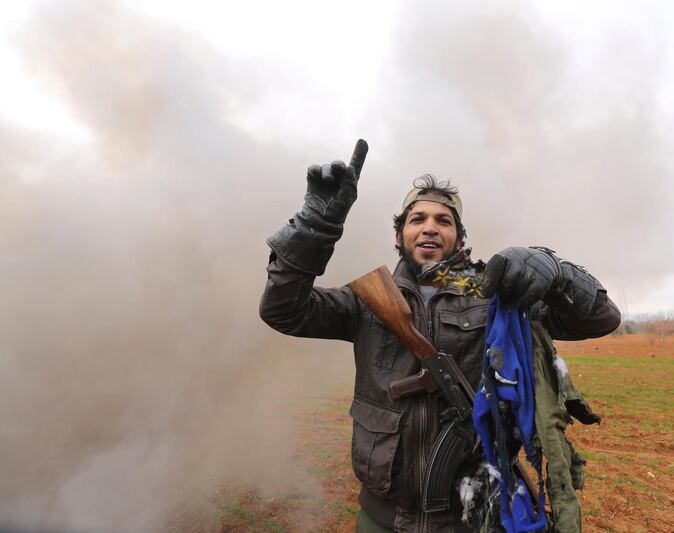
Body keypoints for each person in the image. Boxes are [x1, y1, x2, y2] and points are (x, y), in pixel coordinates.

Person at [259, 149, 621, 533]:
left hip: (473, 516)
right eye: (418, 219)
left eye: (443, 221)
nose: (430, 227)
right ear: (399, 236)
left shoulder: (497, 302)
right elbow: (283, 310)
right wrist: (315, 227)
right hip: (384, 517)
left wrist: (557, 271)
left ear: (459, 238)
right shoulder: (365, 302)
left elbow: (602, 318)